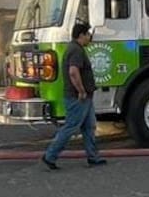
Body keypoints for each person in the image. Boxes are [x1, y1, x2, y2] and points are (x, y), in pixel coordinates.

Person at [42, 22, 106, 169]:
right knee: (71, 127)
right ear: (81, 35)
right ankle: (50, 156)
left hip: (85, 97)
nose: (90, 37)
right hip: (78, 98)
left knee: (89, 126)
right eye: (88, 34)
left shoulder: (75, 48)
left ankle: (93, 157)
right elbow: (73, 72)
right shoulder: (76, 50)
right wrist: (82, 91)